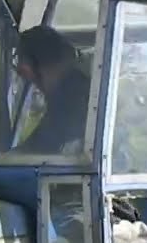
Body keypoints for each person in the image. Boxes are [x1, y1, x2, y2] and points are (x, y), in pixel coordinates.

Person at [13, 25, 91, 156]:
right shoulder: (69, 91)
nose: (37, 89)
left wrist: (7, 159)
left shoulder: (74, 96)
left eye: (35, 81)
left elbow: (42, 146)